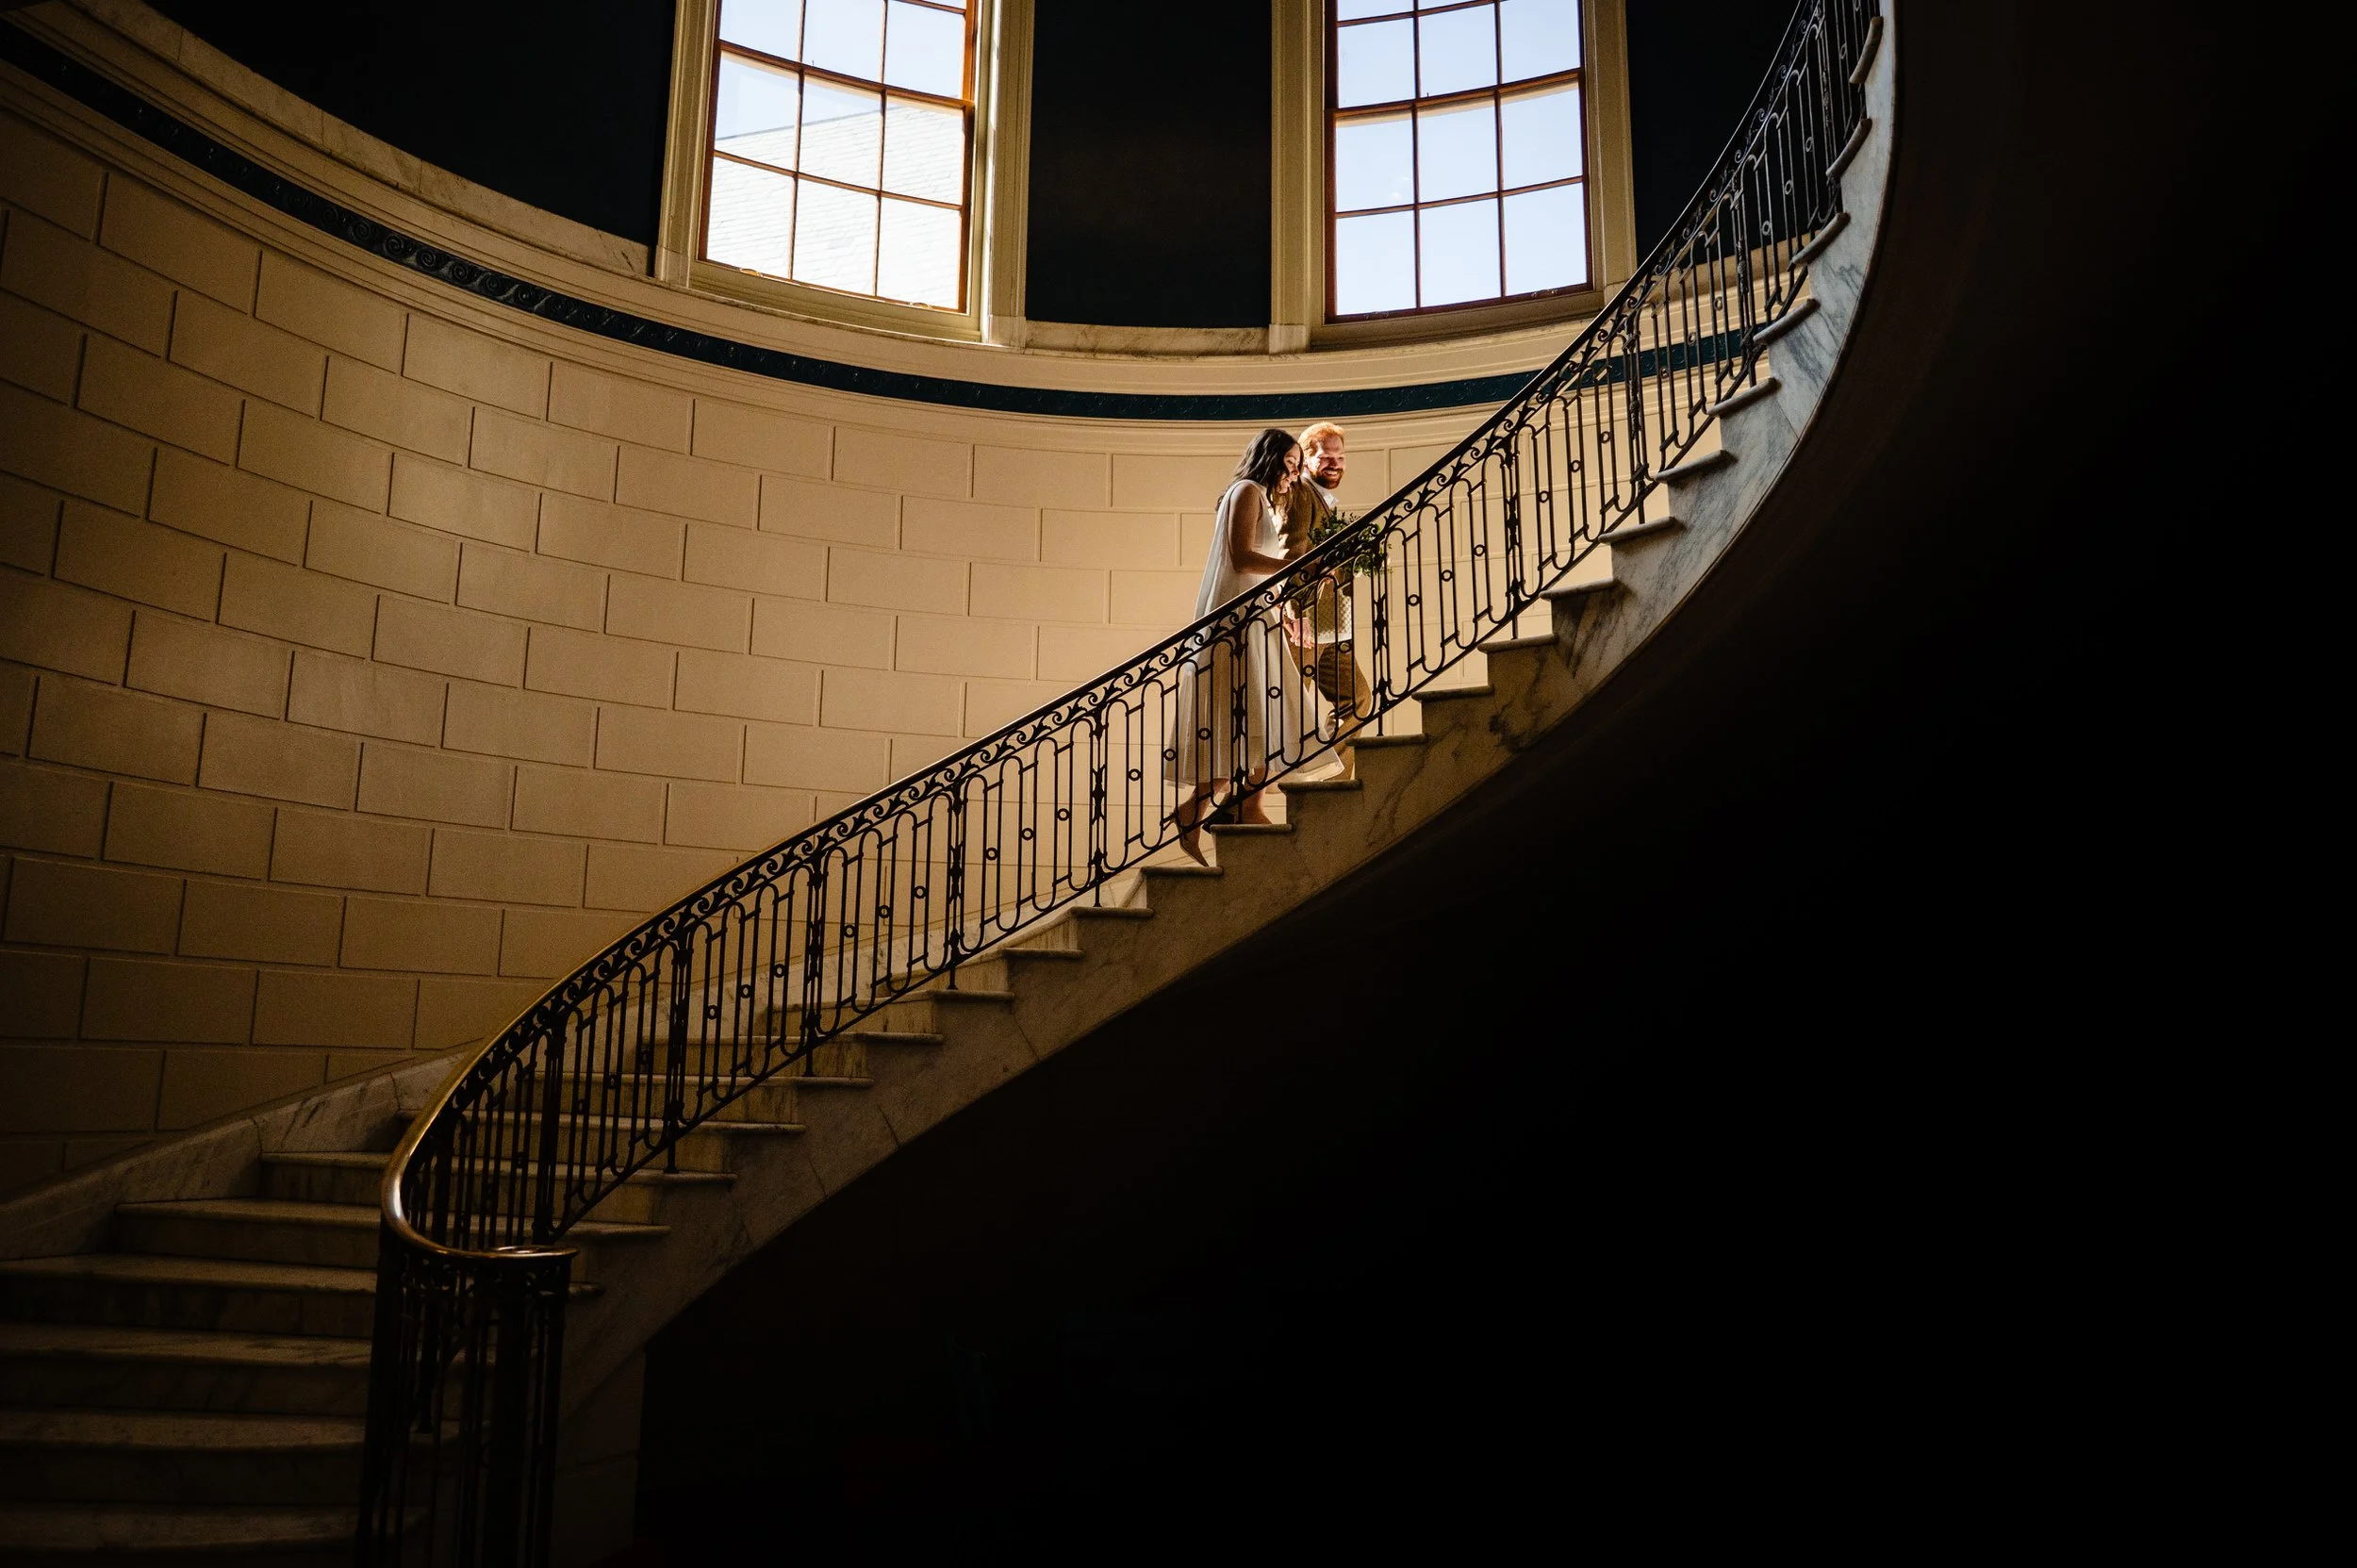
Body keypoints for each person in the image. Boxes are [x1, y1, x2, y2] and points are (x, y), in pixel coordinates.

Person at [1167, 428, 1306, 866]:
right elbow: (1241, 557)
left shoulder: (1262, 499)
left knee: (1260, 712)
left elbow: (1255, 571)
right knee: (1250, 710)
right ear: (1269, 459)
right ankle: (1237, 808)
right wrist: (1294, 563)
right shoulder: (1245, 491)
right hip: (1235, 622)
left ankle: (1208, 810)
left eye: (1297, 467)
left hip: (1255, 618)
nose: (1294, 475)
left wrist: (1281, 601)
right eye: (1289, 464)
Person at [1278, 421, 1376, 781]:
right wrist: (1293, 611)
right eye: (1325, 456)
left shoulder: (1324, 501)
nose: (1335, 463)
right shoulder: (1302, 494)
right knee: (1285, 709)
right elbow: (1290, 556)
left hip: (1331, 623)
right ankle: (1238, 800)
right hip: (1303, 622)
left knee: (1359, 699)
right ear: (1306, 461)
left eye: (1341, 456)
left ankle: (1331, 780)